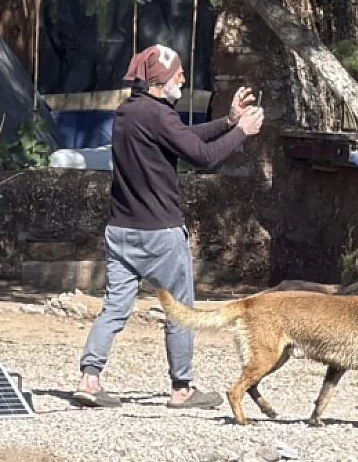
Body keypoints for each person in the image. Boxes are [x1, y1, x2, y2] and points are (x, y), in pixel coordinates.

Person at [72, 44, 264, 409]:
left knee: (114, 308)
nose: (183, 78)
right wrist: (241, 131)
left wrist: (226, 122)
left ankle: (89, 379)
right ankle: (182, 389)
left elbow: (182, 137)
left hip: (121, 231)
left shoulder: (128, 112)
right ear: (162, 80)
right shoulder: (159, 115)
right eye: (178, 72)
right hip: (160, 233)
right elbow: (202, 156)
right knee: (179, 310)